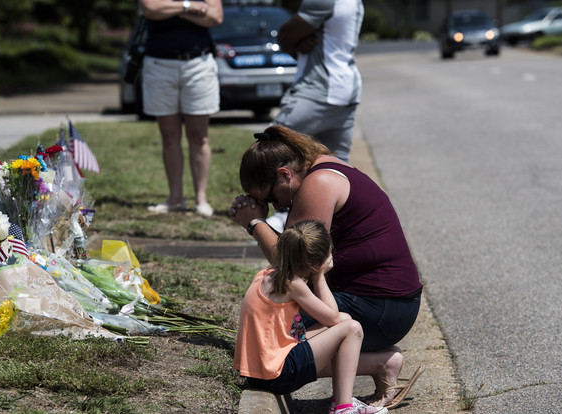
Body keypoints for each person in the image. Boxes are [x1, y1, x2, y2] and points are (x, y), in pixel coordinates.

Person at [229, 125, 424, 409]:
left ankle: (376, 367)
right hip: (390, 303)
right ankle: (381, 364)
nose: (273, 206)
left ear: (284, 174)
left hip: (384, 308)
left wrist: (254, 222)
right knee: (273, 333)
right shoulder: (324, 165)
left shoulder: (317, 184)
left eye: (270, 198)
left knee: (273, 337)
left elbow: (291, 266)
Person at [234, 220, 388, 414]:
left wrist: (317, 272)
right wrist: (319, 277)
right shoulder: (293, 284)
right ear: (316, 264)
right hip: (277, 374)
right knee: (353, 328)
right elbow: (331, 317)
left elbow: (331, 318)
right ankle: (343, 408)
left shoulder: (268, 275)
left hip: (259, 373)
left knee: (346, 319)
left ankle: (341, 401)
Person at [140, 0, 223, 217]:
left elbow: (215, 17)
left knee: (199, 136)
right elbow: (150, 9)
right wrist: (190, 7)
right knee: (169, 135)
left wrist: (171, 10)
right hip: (159, 65)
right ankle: (175, 199)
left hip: (198, 64)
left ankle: (201, 199)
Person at [271, 0, 364, 162]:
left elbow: (285, 36)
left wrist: (295, 43)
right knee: (337, 168)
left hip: (317, 89)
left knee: (267, 151)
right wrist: (300, 43)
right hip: (346, 91)